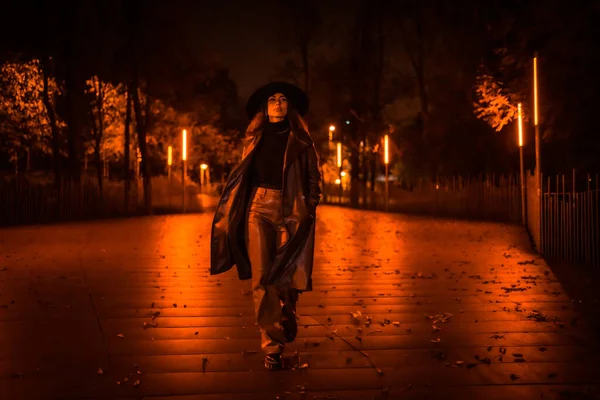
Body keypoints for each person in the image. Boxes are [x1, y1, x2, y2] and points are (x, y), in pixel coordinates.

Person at [210, 82, 322, 370]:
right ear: (265, 107)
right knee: (261, 279)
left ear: (289, 106)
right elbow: (243, 179)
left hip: (291, 211)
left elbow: (313, 179)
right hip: (257, 208)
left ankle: (288, 308)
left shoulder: (302, 141)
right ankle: (272, 346)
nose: (278, 103)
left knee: (286, 275)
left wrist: (309, 207)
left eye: (283, 99)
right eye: (272, 99)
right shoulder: (253, 139)